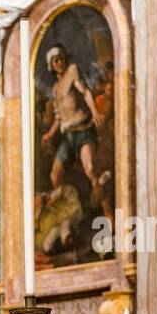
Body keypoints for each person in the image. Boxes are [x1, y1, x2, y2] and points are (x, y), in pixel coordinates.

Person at [40, 44, 107, 206]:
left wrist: (95, 112)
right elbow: (59, 118)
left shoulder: (72, 71)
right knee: (55, 176)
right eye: (55, 61)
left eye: (60, 58)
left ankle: (107, 209)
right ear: (51, 66)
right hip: (68, 136)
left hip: (83, 131)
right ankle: (67, 214)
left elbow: (85, 92)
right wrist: (49, 134)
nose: (59, 62)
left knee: (90, 168)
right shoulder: (56, 89)